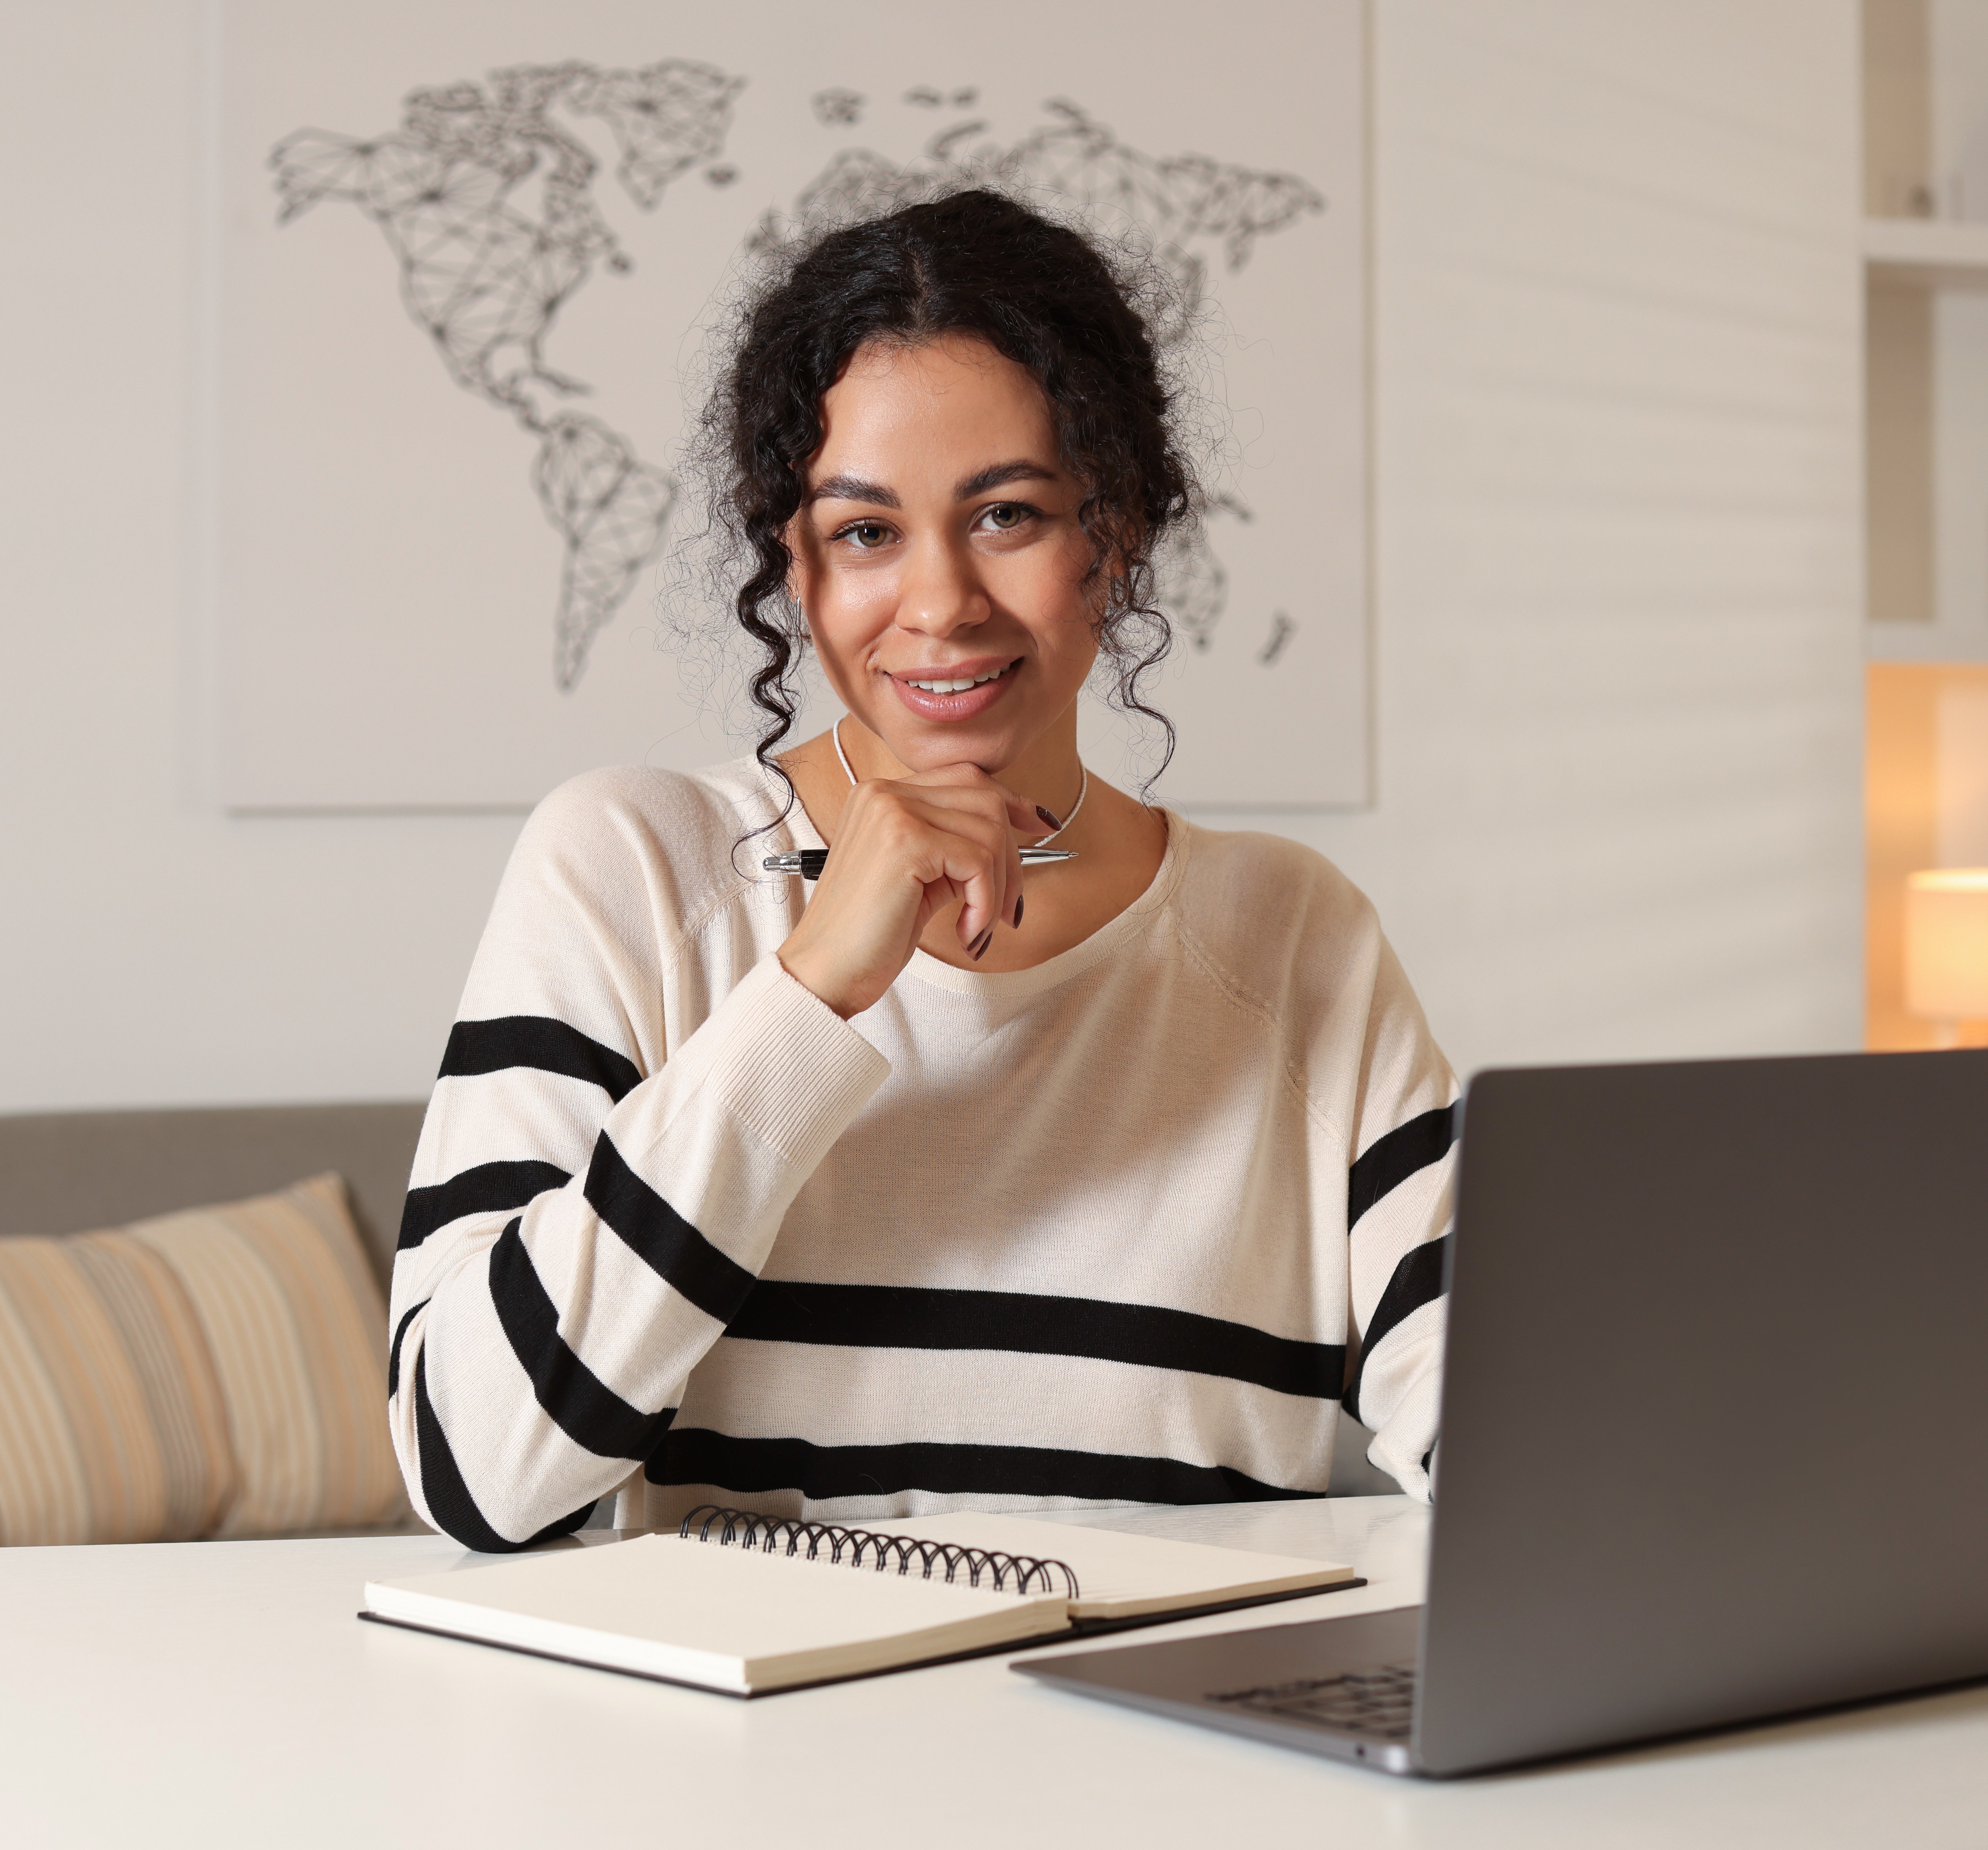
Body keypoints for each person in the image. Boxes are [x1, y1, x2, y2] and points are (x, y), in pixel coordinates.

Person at [389, 189, 1456, 1547]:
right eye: (865, 533)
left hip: (1178, 1747)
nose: (941, 602)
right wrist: (805, 996)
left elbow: (1518, 1457)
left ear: (1114, 531)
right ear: (795, 565)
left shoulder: (1294, 938)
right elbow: (467, 1466)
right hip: (762, 1751)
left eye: (1005, 515)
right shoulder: (636, 872)